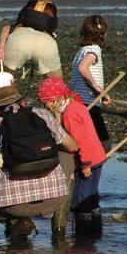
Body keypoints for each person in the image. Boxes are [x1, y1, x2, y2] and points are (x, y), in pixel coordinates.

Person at [0, 84, 79, 239]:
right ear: (22, 102)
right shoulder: (43, 115)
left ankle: (14, 222)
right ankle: (59, 232)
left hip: (13, 205)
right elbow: (73, 146)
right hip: (54, 200)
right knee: (66, 156)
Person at [37, 77, 106, 237]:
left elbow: (81, 140)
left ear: (55, 100)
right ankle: (96, 231)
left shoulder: (69, 115)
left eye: (46, 103)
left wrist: (85, 163)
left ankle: (83, 234)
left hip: (89, 160)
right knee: (91, 195)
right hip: (97, 156)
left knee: (81, 199)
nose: (45, 106)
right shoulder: (76, 105)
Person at [70, 14, 112, 150]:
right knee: (104, 144)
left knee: (83, 140)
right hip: (88, 104)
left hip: (77, 103)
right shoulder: (94, 50)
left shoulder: (81, 51)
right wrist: (97, 88)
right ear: (104, 34)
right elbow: (83, 68)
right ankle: (94, 168)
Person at [0, 0, 62, 78]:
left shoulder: (21, 22)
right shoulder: (49, 23)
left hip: (19, 40)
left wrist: (1, 48)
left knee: (3, 78)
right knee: (56, 82)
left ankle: (5, 90)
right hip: (46, 43)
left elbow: (6, 28)